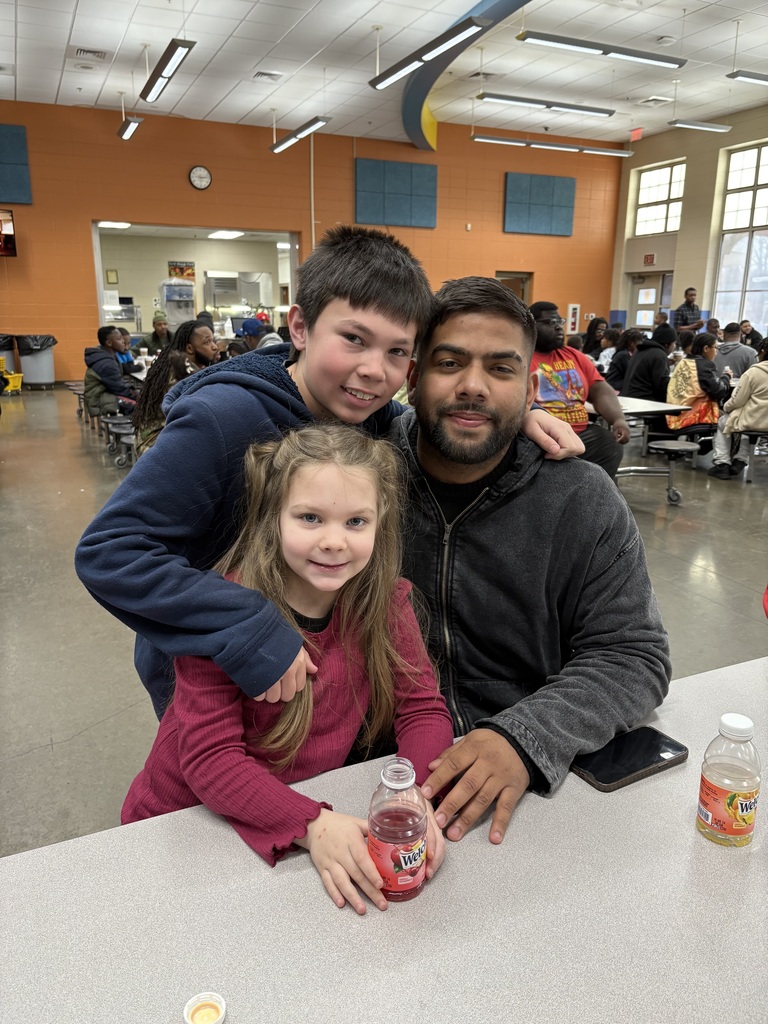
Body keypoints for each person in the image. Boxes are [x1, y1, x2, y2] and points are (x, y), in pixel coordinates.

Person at [75, 226, 581, 717]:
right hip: (215, 681)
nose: (374, 370)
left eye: (397, 351)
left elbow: (424, 429)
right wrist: (246, 624)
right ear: (300, 326)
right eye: (354, 339)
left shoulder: (372, 416)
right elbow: (111, 552)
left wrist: (517, 417)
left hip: (313, 681)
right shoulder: (223, 420)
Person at [122, 425, 453, 914]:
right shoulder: (220, 612)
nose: (334, 542)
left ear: (381, 522)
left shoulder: (384, 603)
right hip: (182, 824)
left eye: (356, 522)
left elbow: (422, 708)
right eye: (310, 518)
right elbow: (210, 760)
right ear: (272, 517)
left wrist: (413, 797)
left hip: (286, 814)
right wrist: (312, 825)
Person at [387, 277, 671, 844]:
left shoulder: (580, 499)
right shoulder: (357, 481)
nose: (474, 387)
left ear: (528, 387)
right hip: (376, 777)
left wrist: (524, 736)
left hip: (528, 794)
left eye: (500, 368)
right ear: (413, 378)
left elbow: (633, 655)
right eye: (450, 363)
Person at [528, 300, 630, 478]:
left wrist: (618, 419)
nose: (559, 328)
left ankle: (598, 498)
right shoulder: (522, 357)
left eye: (560, 322)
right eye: (551, 323)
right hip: (541, 436)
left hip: (582, 434)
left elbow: (600, 390)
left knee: (608, 444)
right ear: (531, 326)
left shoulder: (573, 355)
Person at [132, 319, 221, 455]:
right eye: (207, 342)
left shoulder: (178, 364)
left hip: (157, 435)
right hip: (154, 443)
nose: (214, 347)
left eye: (213, 341)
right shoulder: (182, 374)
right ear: (190, 348)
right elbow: (195, 416)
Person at [709, 339, 768, 479]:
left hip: (753, 419)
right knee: (752, 427)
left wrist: (726, 407)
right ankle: (741, 459)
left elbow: (738, 400)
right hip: (765, 422)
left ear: (762, 352)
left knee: (724, 422)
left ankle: (722, 463)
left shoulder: (753, 373)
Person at [666, 333, 731, 430]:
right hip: (692, 416)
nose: (716, 352)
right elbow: (719, 391)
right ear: (706, 349)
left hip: (674, 415)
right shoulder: (703, 365)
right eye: (715, 348)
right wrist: (727, 377)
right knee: (729, 420)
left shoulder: (684, 361)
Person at [83, 326, 139, 416]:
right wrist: (140, 397)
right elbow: (119, 389)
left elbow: (118, 383)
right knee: (141, 407)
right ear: (109, 343)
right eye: (119, 339)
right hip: (97, 399)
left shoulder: (109, 356)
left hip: (105, 394)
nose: (123, 342)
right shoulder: (107, 363)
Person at [621, 325, 675, 403]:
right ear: (667, 344)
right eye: (674, 343)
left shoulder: (639, 351)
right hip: (644, 403)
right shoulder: (659, 354)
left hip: (628, 400)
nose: (674, 346)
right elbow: (662, 386)